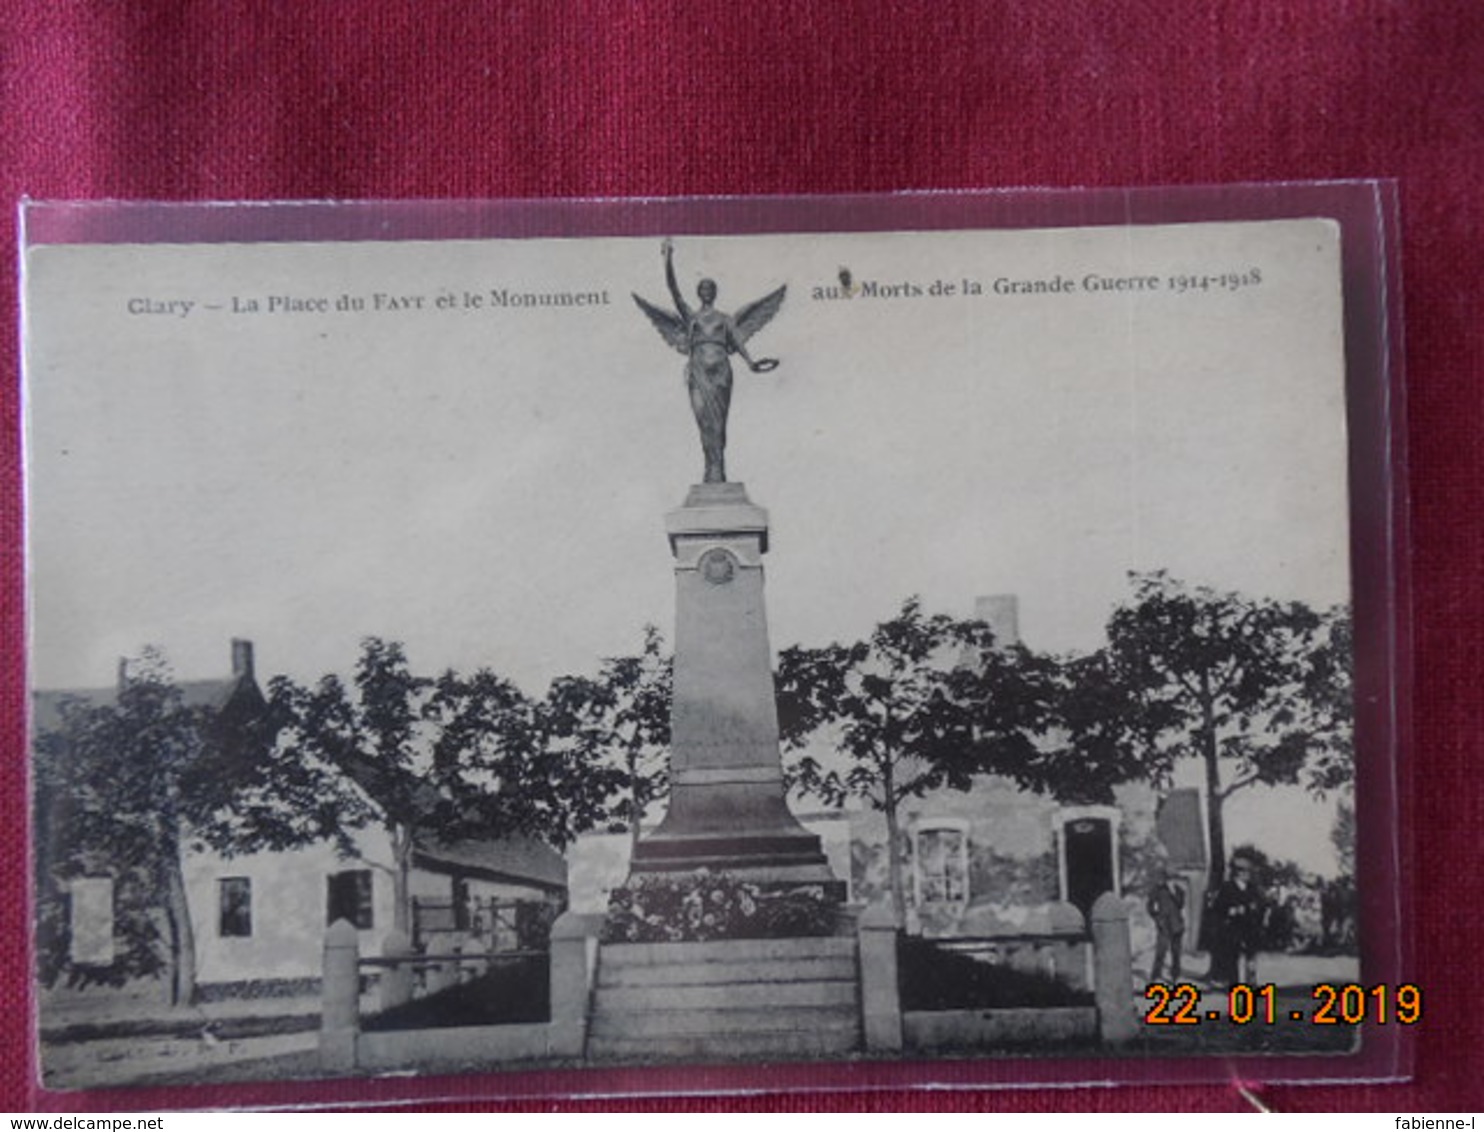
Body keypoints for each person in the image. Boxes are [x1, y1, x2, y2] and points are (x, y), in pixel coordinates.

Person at [634, 239, 785, 484]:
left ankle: (719, 469)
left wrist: (751, 363)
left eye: (709, 288)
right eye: (702, 288)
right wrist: (667, 259)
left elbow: (737, 341)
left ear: (714, 293)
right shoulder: (691, 318)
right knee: (703, 420)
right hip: (699, 372)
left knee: (720, 422)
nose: (706, 291)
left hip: (721, 372)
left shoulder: (725, 319)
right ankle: (709, 468)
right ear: (699, 293)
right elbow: (673, 291)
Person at [1205, 852, 1266, 986]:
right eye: (1244, 872)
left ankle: (1251, 983)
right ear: (1238, 873)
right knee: (1232, 958)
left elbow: (1260, 904)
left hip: (1250, 928)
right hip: (1233, 928)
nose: (1247, 875)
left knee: (1251, 958)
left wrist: (1255, 910)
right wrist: (1232, 910)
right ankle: (1235, 985)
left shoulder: (1252, 889)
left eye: (1248, 872)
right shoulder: (1227, 888)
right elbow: (1218, 908)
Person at [1146, 866, 1186, 983]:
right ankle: (1155, 975)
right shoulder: (1158, 890)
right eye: (1168, 878)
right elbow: (1150, 905)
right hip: (1163, 925)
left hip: (1177, 925)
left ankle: (1175, 976)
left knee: (1176, 953)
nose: (1170, 881)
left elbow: (1181, 904)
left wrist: (1174, 893)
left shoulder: (1179, 891)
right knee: (1161, 951)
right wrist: (1157, 918)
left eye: (1173, 878)